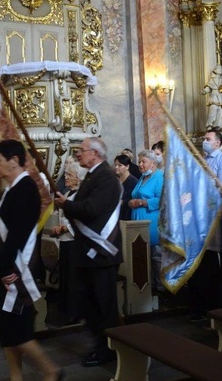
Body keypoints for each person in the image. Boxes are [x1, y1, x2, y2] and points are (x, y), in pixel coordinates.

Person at [0, 139, 62, 381]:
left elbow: (17, 236)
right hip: (4, 269)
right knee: (6, 330)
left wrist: (2, 269)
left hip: (15, 271)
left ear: (14, 160)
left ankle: (50, 370)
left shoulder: (26, 189)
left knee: (17, 328)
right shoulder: (10, 189)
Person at [54, 137, 122, 368]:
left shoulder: (105, 177)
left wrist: (67, 205)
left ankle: (110, 349)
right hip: (89, 252)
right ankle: (100, 344)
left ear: (95, 153)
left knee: (104, 305)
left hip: (101, 253)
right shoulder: (93, 175)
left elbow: (92, 209)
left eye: (82, 151)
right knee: (89, 302)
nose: (78, 154)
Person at [187, 129, 222, 321]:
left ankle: (212, 308)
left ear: (218, 143)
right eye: (204, 139)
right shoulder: (202, 160)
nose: (204, 141)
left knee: (212, 261)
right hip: (199, 216)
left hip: (215, 215)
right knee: (200, 261)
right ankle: (198, 306)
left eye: (208, 139)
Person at [50, 162, 88, 321]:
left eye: (69, 175)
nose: (66, 177)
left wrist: (64, 228)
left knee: (74, 278)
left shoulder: (81, 195)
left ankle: (75, 312)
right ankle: (65, 310)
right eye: (66, 174)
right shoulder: (68, 194)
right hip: (65, 242)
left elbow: (80, 218)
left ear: (79, 179)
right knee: (66, 276)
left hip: (75, 242)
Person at [128, 150, 165, 292]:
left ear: (153, 163)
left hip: (152, 223)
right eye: (139, 161)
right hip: (137, 222)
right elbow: (135, 195)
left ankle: (161, 289)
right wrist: (132, 202)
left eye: (143, 161)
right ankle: (148, 289)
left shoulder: (159, 177)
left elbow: (161, 199)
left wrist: (142, 202)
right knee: (143, 257)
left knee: (156, 257)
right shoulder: (142, 178)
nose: (140, 164)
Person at [114, 154, 138, 221]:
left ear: (127, 166)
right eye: (115, 165)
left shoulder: (133, 181)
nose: (116, 167)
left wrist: (122, 202)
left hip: (128, 216)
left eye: (119, 165)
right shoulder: (116, 180)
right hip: (117, 215)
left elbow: (133, 198)